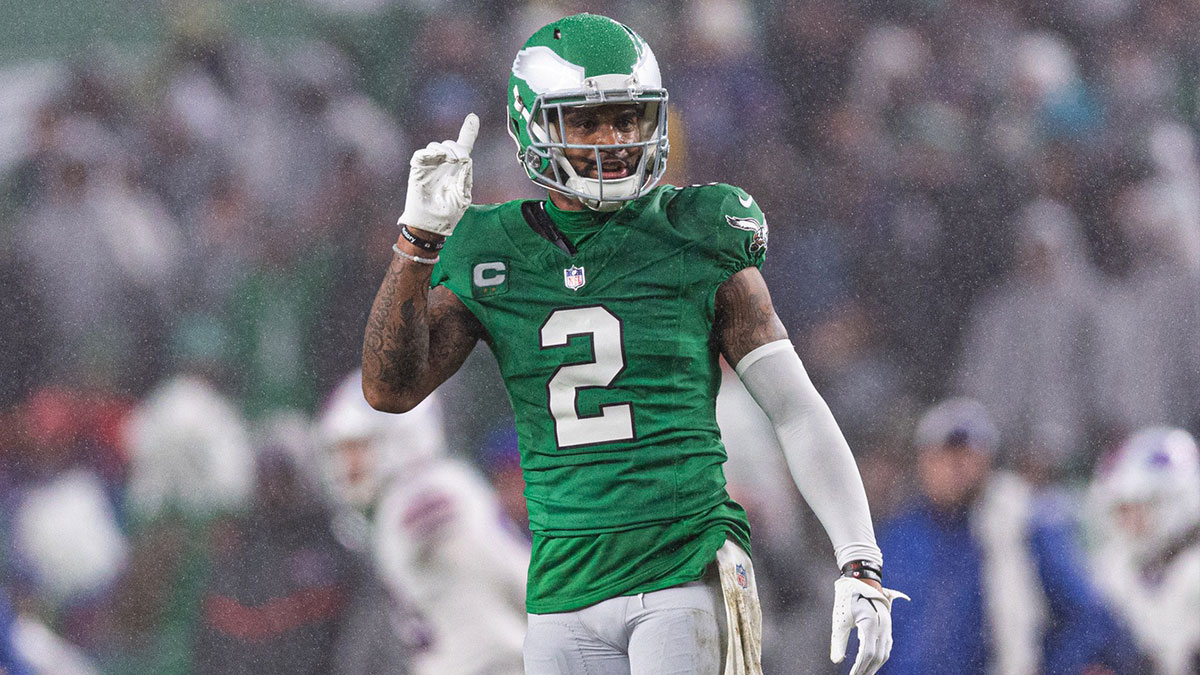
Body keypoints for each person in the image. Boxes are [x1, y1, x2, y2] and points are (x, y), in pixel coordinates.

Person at [362, 13, 904, 674]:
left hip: (684, 567)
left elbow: (794, 406)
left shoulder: (697, 232)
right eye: (586, 123)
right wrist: (416, 243)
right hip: (562, 583)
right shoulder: (491, 249)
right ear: (531, 124)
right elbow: (389, 390)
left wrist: (859, 557)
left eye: (626, 119)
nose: (612, 141)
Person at [877, 398, 1140, 675]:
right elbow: (869, 630)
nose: (956, 467)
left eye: (967, 455)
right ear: (924, 461)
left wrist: (1053, 668)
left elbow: (1089, 616)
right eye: (944, 455)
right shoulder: (898, 536)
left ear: (987, 461)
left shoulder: (1022, 524)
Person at [318, 370, 529, 675]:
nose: (346, 467)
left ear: (397, 438)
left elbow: (504, 570)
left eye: (356, 449)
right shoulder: (406, 499)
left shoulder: (423, 495)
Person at [1087, 427, 1200, 675]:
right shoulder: (1114, 566)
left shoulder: (1192, 569)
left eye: (1134, 508)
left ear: (1169, 503)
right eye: (1119, 510)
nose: (1124, 522)